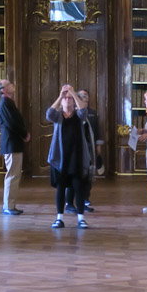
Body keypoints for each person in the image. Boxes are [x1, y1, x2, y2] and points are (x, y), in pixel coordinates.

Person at [47, 84, 90, 229]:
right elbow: (49, 114)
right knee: (61, 189)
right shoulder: (58, 116)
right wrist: (60, 95)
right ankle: (59, 218)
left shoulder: (78, 116)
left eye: (70, 98)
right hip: (61, 158)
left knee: (78, 188)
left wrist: (73, 93)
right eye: (65, 98)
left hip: (76, 157)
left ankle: (81, 219)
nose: (67, 100)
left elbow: (84, 110)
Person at [0, 79, 30, 214]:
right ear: (3, 90)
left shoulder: (8, 103)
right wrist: (24, 133)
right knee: (12, 175)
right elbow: (11, 123)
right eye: (9, 84)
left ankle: (10, 205)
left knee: (14, 174)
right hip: (11, 143)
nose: (12, 85)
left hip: (13, 143)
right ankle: (8, 206)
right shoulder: (5, 103)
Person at [65, 88, 101, 213]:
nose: (83, 97)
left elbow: (96, 132)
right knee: (73, 177)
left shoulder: (92, 113)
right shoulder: (73, 113)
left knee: (87, 177)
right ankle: (69, 203)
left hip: (88, 149)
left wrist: (98, 149)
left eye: (85, 95)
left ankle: (84, 200)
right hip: (75, 150)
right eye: (80, 96)